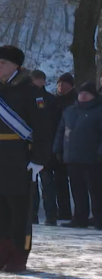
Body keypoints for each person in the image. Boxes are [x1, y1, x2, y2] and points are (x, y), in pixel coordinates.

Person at [0, 45, 51, 273]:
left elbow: (42, 128)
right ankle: (3, 252)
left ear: (16, 65)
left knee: (19, 209)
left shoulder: (28, 90)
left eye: (3, 62)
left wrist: (38, 159)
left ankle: (19, 255)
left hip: (17, 153)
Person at [53, 82, 102, 229]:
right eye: (81, 93)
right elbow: (61, 131)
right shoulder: (70, 111)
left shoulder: (99, 111)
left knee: (96, 191)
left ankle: (99, 219)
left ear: (94, 96)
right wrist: (58, 149)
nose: (83, 95)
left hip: (93, 158)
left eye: (86, 93)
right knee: (77, 190)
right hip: (72, 157)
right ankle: (79, 218)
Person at [30, 70, 60, 226]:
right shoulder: (25, 98)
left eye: (38, 79)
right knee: (31, 185)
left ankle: (51, 214)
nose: (35, 82)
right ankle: (31, 214)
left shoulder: (50, 100)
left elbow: (54, 123)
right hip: (29, 147)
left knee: (47, 183)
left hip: (45, 147)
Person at [53, 73, 77, 220]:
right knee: (60, 181)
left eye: (64, 83)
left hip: (71, 145)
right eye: (59, 83)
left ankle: (79, 212)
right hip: (58, 145)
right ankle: (64, 210)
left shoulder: (75, 101)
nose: (61, 86)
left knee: (76, 182)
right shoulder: (55, 101)